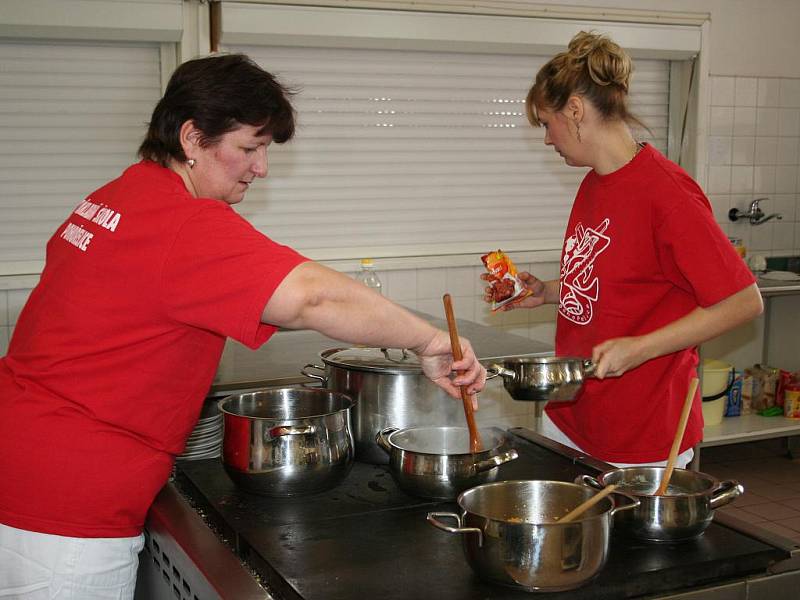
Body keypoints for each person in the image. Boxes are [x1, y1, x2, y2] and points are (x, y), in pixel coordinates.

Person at [0, 53, 486, 599]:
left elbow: (258, 301)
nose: (261, 167)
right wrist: (427, 339)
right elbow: (311, 298)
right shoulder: (183, 224)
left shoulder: (116, 199)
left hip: (23, 460)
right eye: (249, 148)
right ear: (192, 138)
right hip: (68, 504)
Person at [484, 31, 762, 469]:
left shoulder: (667, 194)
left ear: (575, 111)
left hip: (641, 433)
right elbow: (621, 280)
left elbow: (743, 301)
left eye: (547, 123)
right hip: (574, 414)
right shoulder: (594, 183)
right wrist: (551, 291)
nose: (547, 139)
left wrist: (640, 348)